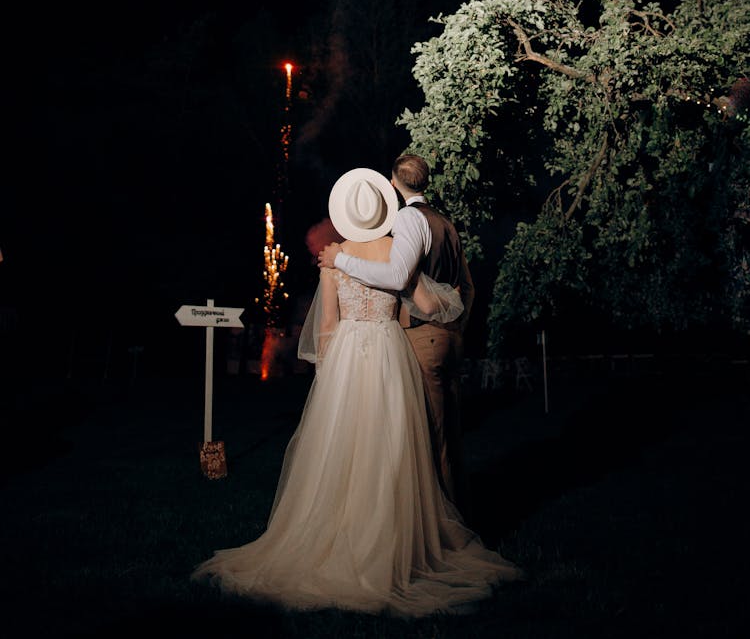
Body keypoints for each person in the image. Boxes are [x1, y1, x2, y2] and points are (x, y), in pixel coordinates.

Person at [192, 168, 521, 616]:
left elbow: (327, 324)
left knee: (342, 445)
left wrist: (328, 376)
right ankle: (388, 539)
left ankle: (339, 532)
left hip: (348, 354)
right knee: (390, 447)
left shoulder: (335, 256)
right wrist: (454, 308)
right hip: (388, 351)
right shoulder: (393, 252)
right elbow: (428, 304)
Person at [318, 153, 474, 510]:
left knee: (425, 438)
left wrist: (340, 260)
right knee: (424, 436)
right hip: (401, 347)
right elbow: (449, 293)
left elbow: (330, 321)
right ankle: (439, 514)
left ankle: (445, 515)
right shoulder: (442, 224)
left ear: (394, 183)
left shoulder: (337, 255)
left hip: (366, 353)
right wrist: (456, 323)